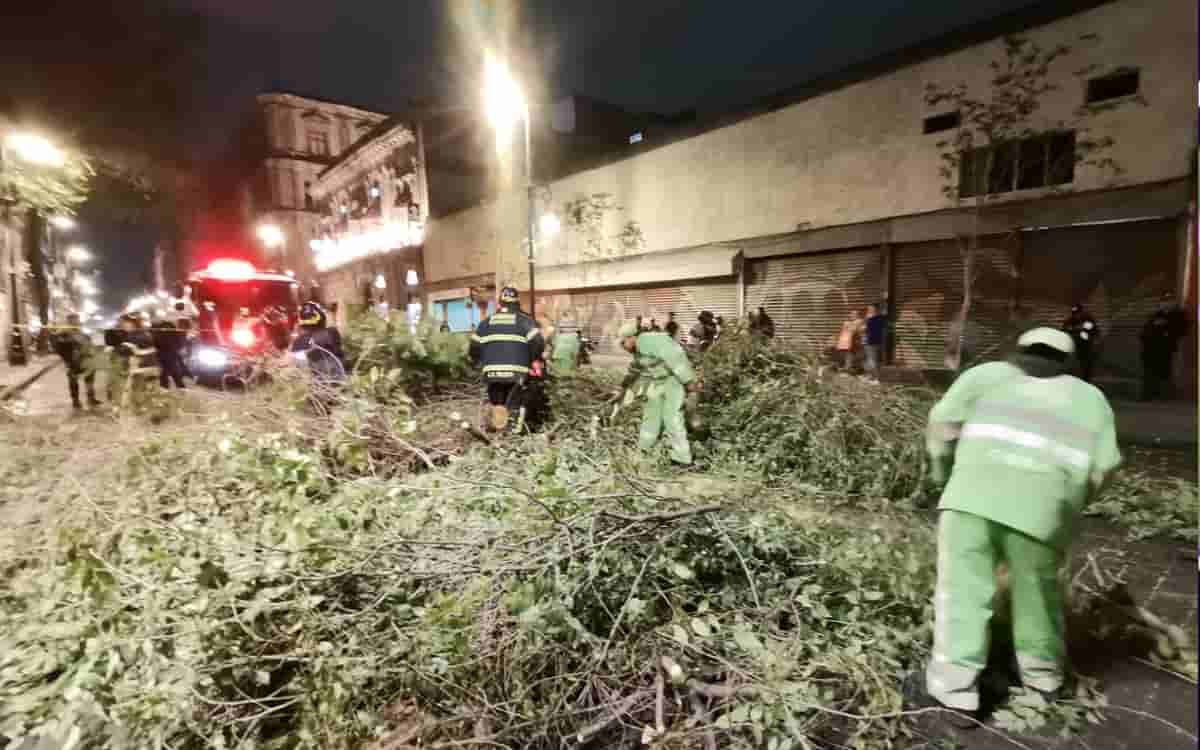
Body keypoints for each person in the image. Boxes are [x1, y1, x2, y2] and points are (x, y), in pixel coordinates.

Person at [920, 327, 1120, 727]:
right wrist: (1068, 504)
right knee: (1038, 596)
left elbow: (941, 427)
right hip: (1042, 515)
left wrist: (943, 476)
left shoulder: (984, 377)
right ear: (1069, 362)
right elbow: (1106, 465)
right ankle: (1043, 682)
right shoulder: (1090, 399)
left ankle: (956, 692)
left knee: (962, 594)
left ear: (1018, 352)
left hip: (970, 502)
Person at [618, 320, 699, 466]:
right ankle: (644, 449)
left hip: (673, 381)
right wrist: (622, 388)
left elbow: (676, 359)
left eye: (623, 343)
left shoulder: (652, 341)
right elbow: (635, 369)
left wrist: (689, 383)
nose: (623, 347)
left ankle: (682, 459)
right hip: (656, 382)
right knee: (651, 416)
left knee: (672, 419)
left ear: (631, 337)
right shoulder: (638, 349)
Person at [468, 286, 545, 432]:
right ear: (517, 303)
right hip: (517, 373)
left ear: (499, 304)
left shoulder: (485, 323)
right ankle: (515, 433)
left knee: (498, 405)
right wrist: (535, 359)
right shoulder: (524, 321)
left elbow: (474, 348)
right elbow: (538, 342)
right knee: (517, 404)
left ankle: (498, 431)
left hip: (492, 374)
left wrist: (478, 362)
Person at [1140, 298, 1188, 400]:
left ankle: (1161, 394)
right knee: (1149, 372)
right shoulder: (1156, 315)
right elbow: (1145, 331)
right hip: (1150, 349)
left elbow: (1181, 330)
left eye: (1168, 301)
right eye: (1164, 301)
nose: (1165, 304)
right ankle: (1148, 394)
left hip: (1165, 349)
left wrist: (1166, 329)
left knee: (1163, 372)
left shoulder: (1178, 315)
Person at [52, 313, 100, 410]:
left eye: (77, 320)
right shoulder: (63, 333)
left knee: (89, 380)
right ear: (69, 321)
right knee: (73, 381)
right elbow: (58, 345)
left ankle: (91, 398)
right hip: (73, 361)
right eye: (74, 320)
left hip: (86, 360)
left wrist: (91, 352)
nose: (77, 322)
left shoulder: (81, 332)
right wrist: (68, 357)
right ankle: (76, 401)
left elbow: (88, 343)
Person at [292, 302, 346, 384]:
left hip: (315, 385)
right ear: (322, 318)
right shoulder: (331, 333)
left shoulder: (297, 343)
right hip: (339, 381)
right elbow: (340, 355)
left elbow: (300, 368)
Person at [1061, 304, 1100, 383]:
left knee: (1086, 363)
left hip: (1086, 345)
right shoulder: (1070, 320)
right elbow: (1064, 331)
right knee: (1072, 364)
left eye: (1078, 313)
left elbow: (1095, 332)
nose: (1076, 315)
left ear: (1082, 312)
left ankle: (1086, 379)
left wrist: (1095, 340)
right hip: (1074, 345)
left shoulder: (1088, 319)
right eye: (1074, 313)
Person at [150, 315, 187, 389]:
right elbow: (179, 344)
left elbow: (155, 343)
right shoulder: (172, 329)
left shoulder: (159, 329)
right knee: (171, 368)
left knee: (167, 369)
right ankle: (179, 386)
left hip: (163, 354)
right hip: (169, 354)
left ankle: (167, 386)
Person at [863, 305, 886, 382]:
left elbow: (865, 329)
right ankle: (871, 377)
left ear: (874, 310)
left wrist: (866, 321)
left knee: (872, 360)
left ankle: (876, 378)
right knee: (872, 360)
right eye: (868, 309)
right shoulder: (881, 318)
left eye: (870, 309)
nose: (868, 311)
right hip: (876, 341)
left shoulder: (871, 319)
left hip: (871, 341)